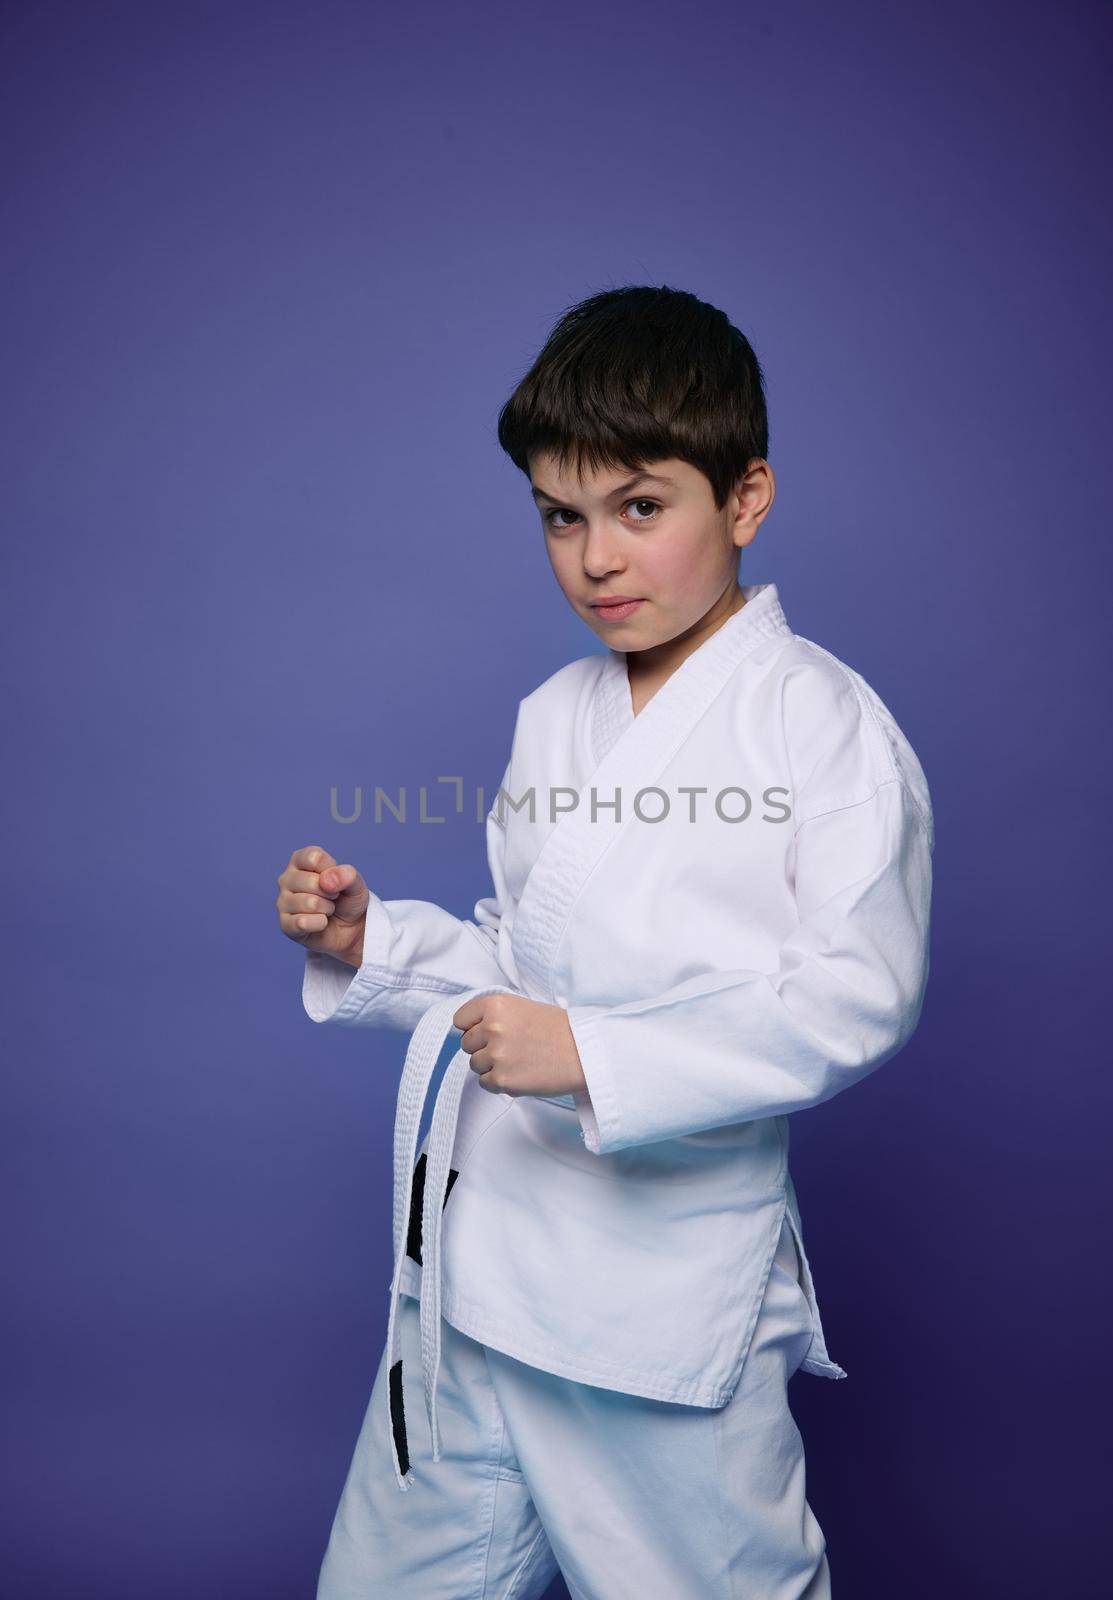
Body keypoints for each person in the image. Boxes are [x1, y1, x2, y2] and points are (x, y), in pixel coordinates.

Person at [276, 284, 934, 1599]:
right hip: (477, 1269)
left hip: (653, 1303)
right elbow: (520, 965)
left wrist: (591, 1056)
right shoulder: (554, 713)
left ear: (743, 499)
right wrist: (373, 943)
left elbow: (852, 999)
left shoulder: (821, 725)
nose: (595, 559)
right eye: (560, 518)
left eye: (640, 508)